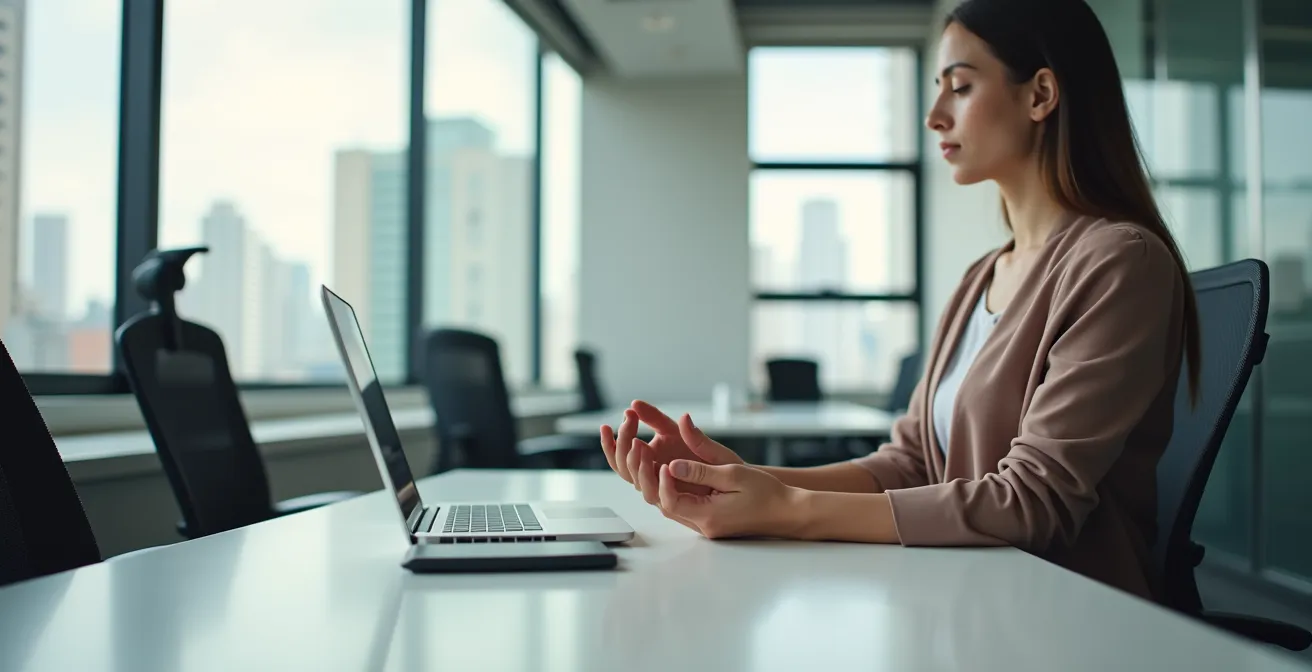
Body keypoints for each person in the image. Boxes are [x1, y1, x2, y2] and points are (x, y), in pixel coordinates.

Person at [598, 0, 1201, 602]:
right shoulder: (981, 278)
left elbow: (1031, 502)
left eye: (960, 87)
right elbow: (910, 464)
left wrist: (786, 509)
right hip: (967, 597)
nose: (935, 116)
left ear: (1040, 94)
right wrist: (736, 480)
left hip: (1067, 614)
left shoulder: (1118, 262)